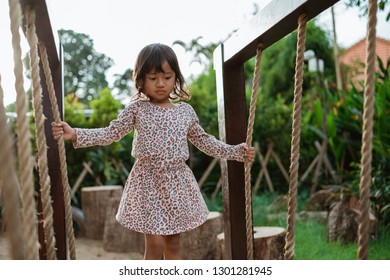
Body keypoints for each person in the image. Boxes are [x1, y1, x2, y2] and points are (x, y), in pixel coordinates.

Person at [52, 43, 255, 260]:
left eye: (167, 77)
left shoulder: (185, 112)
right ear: (141, 80)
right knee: (155, 243)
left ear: (176, 77)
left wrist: (235, 152)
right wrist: (75, 134)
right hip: (147, 182)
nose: (160, 84)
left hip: (177, 183)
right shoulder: (137, 109)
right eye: (153, 78)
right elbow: (111, 133)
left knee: (174, 242)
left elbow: (205, 141)